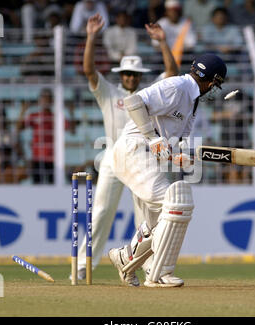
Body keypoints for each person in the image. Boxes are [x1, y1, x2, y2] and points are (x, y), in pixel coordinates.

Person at [73, 12, 179, 281]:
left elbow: (172, 75)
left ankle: (139, 266)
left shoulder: (149, 95)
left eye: (135, 74)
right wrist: (91, 37)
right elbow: (88, 70)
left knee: (144, 218)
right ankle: (84, 265)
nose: (131, 77)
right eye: (127, 73)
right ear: (122, 74)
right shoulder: (110, 92)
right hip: (111, 157)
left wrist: (164, 43)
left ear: (139, 76)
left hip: (142, 159)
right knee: (101, 213)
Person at [109, 53, 227, 287]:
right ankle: (158, 272)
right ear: (211, 80)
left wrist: (180, 156)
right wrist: (152, 138)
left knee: (157, 224)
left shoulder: (192, 101)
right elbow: (134, 103)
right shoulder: (177, 86)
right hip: (133, 151)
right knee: (176, 204)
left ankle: (130, 262)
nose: (215, 88)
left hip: (147, 159)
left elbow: (177, 141)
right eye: (216, 83)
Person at [16, 88, 75, 184]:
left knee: (53, 186)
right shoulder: (34, 115)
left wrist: (71, 112)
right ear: (40, 100)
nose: (45, 101)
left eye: (48, 98)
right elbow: (18, 128)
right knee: (37, 186)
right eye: (43, 98)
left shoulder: (56, 117)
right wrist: (23, 111)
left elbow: (72, 131)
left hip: (53, 159)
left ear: (52, 101)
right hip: (37, 158)